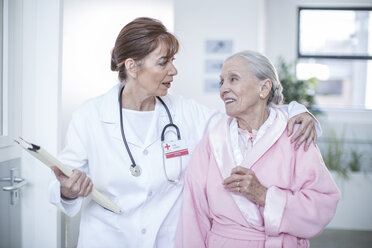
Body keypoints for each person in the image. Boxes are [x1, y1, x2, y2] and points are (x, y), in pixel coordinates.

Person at [49, 18, 320, 248]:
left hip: (167, 239)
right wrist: (68, 190)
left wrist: (295, 110)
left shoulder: (187, 114)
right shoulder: (89, 116)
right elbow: (64, 179)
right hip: (109, 239)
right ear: (132, 67)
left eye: (173, 61)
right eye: (163, 63)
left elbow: (248, 115)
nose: (174, 70)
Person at [175, 50, 340, 248]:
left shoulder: (295, 136)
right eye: (222, 82)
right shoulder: (212, 142)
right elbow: (193, 214)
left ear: (264, 87)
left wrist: (264, 195)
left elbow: (322, 205)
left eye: (233, 79)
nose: (223, 89)